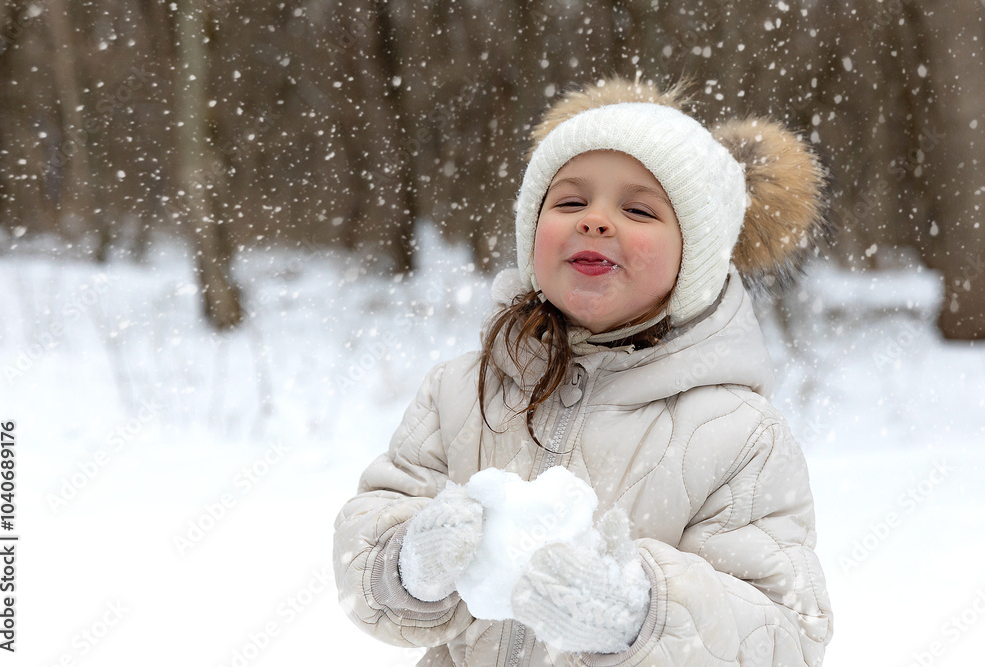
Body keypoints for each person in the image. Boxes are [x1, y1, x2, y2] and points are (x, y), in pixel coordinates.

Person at [333, 75, 834, 667]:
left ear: (695, 258)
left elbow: (785, 636)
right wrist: (409, 563)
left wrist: (638, 613)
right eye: (570, 201)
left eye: (638, 209)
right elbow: (366, 549)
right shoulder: (462, 392)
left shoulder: (740, 434)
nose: (595, 220)